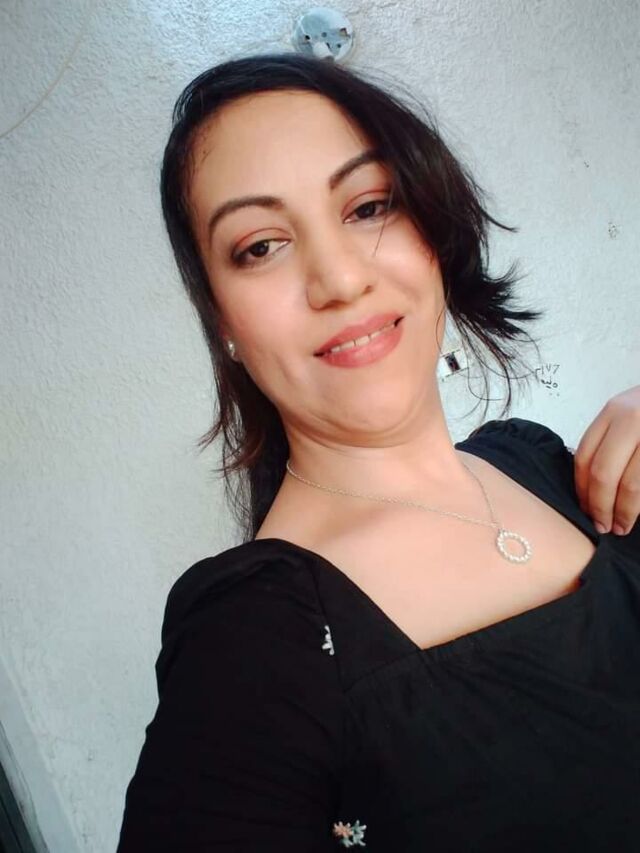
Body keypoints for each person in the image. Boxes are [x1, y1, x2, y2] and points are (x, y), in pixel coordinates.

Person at [116, 53, 640, 851]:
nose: (338, 279)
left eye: (367, 207)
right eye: (260, 246)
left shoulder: (543, 464)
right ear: (220, 317)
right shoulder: (252, 645)